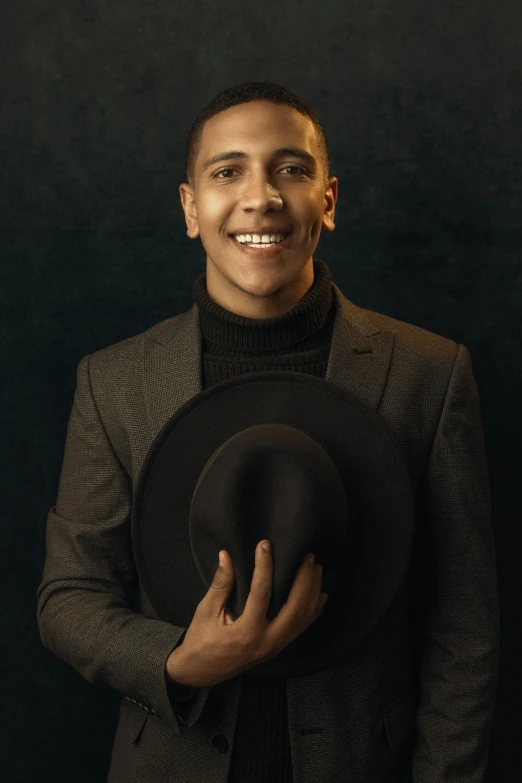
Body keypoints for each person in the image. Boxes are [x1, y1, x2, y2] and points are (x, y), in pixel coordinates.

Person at [37, 80, 500, 783]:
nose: (261, 196)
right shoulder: (114, 382)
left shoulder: (430, 374)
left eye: (291, 168)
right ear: (191, 209)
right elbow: (68, 597)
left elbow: (465, 625)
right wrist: (177, 662)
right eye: (228, 172)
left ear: (329, 201)